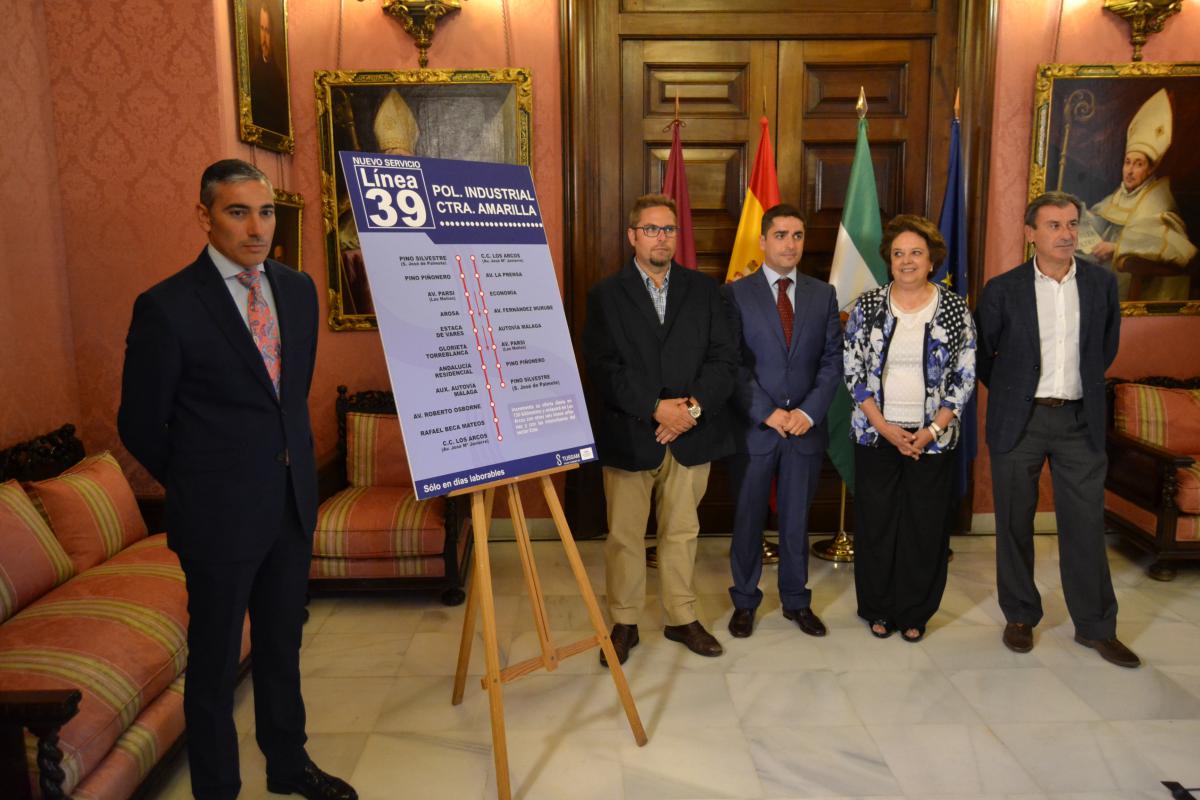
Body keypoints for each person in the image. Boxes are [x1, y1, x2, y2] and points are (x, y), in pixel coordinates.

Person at [118, 160, 358, 799]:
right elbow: (139, 423)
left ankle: (288, 765)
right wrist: (203, 481)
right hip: (217, 517)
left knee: (283, 647)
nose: (257, 228)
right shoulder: (167, 306)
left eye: (267, 212)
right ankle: (217, 790)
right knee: (217, 666)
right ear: (205, 216)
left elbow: (287, 398)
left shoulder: (298, 289)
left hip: (289, 506)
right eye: (238, 212)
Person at [977, 191, 1139, 669]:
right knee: (1013, 522)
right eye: (1054, 226)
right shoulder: (1002, 289)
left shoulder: (1100, 285)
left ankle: (1096, 626)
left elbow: (1104, 349)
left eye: (1071, 224)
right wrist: (1018, 393)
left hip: (1077, 420)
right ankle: (1021, 616)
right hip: (1019, 421)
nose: (1066, 234)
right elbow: (987, 356)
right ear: (1030, 235)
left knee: (1085, 525)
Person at [583, 193, 738, 665]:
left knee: (681, 531)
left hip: (691, 434)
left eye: (669, 229)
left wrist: (688, 410)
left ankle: (680, 616)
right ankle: (625, 621)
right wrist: (655, 408)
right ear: (632, 236)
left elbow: (724, 360)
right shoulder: (605, 295)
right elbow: (603, 367)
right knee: (626, 536)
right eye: (651, 229)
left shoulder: (706, 290)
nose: (661, 238)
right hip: (631, 434)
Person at [843, 215, 976, 642]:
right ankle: (878, 607)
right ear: (889, 260)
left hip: (932, 440)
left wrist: (932, 430)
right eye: (898, 253)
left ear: (932, 259)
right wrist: (883, 427)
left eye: (915, 252)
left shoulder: (954, 308)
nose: (906, 261)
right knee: (877, 524)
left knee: (924, 526)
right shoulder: (868, 305)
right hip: (876, 435)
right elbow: (854, 372)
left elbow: (965, 375)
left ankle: (915, 611)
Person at [721, 204, 842, 639]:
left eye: (798, 235)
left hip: (804, 428)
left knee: (796, 520)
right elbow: (730, 363)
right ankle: (745, 601)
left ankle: (796, 600)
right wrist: (767, 412)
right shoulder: (736, 293)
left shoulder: (821, 294)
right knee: (749, 517)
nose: (790, 244)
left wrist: (807, 412)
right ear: (763, 240)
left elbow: (832, 361)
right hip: (756, 427)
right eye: (781, 235)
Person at [1080, 88, 1196, 301]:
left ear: (1150, 170)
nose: (1130, 171)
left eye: (1139, 164)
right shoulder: (1120, 194)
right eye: (1127, 162)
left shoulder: (1159, 202)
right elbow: (1099, 222)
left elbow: (1178, 249)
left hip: (1136, 285)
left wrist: (1117, 248)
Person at [249, 0, 289, 135]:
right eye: (261, 29)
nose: (264, 37)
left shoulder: (277, 76)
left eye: (267, 30)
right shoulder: (254, 74)